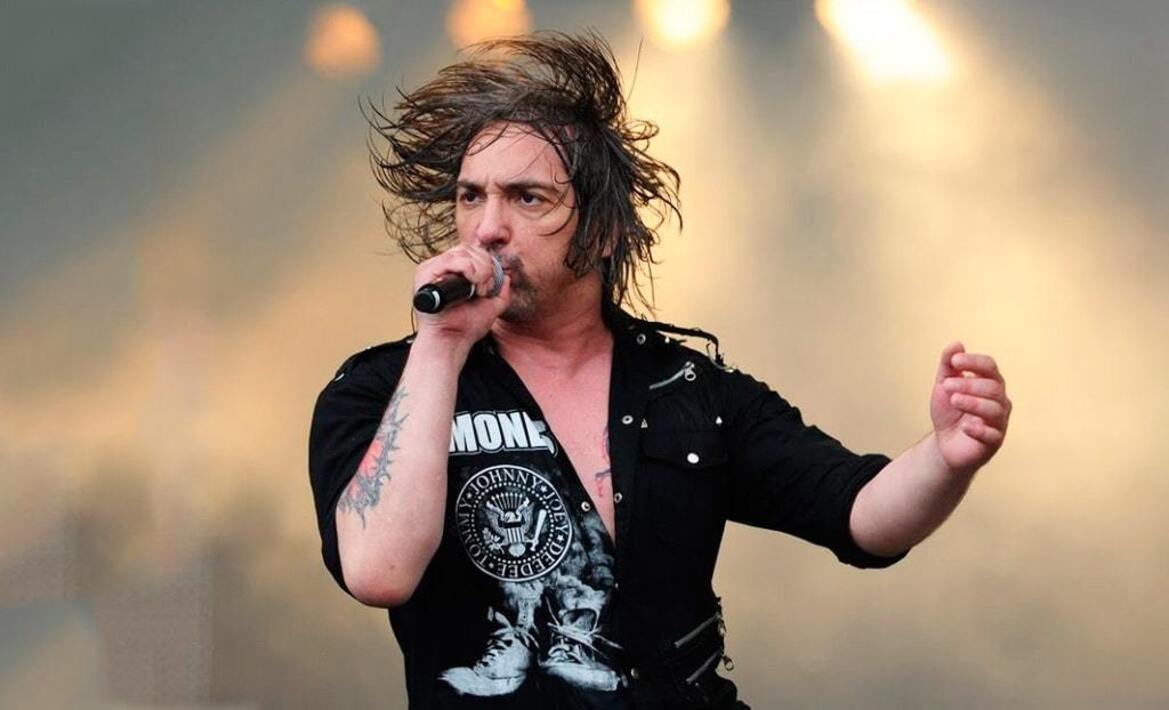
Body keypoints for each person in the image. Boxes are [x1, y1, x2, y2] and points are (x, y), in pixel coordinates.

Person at [308, 31, 1011, 709]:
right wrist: (440, 345)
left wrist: (946, 458)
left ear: (604, 229)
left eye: (527, 197)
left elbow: (860, 515)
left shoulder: (687, 391)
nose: (488, 226)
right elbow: (378, 571)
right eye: (471, 196)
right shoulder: (385, 390)